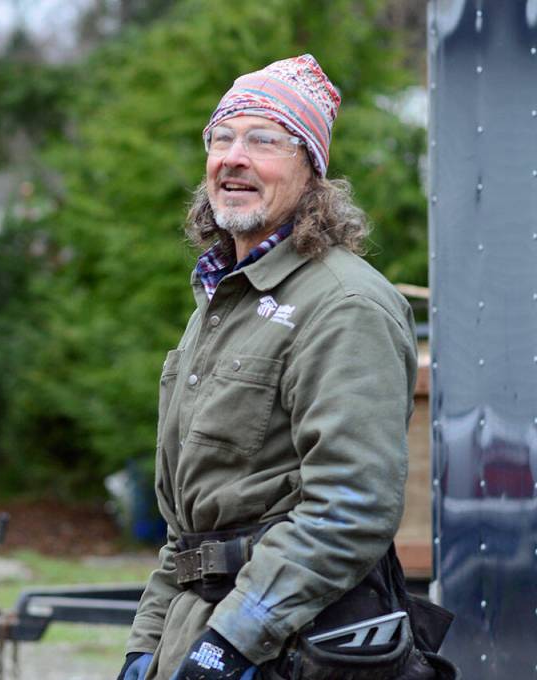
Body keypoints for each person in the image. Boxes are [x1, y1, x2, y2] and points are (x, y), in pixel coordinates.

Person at [119, 56, 456, 680]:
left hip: (290, 647)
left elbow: (350, 508)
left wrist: (234, 643)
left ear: (311, 169)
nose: (233, 157)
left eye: (263, 140)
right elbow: (189, 525)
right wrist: (145, 647)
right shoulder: (221, 303)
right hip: (199, 636)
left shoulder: (344, 304)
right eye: (221, 139)